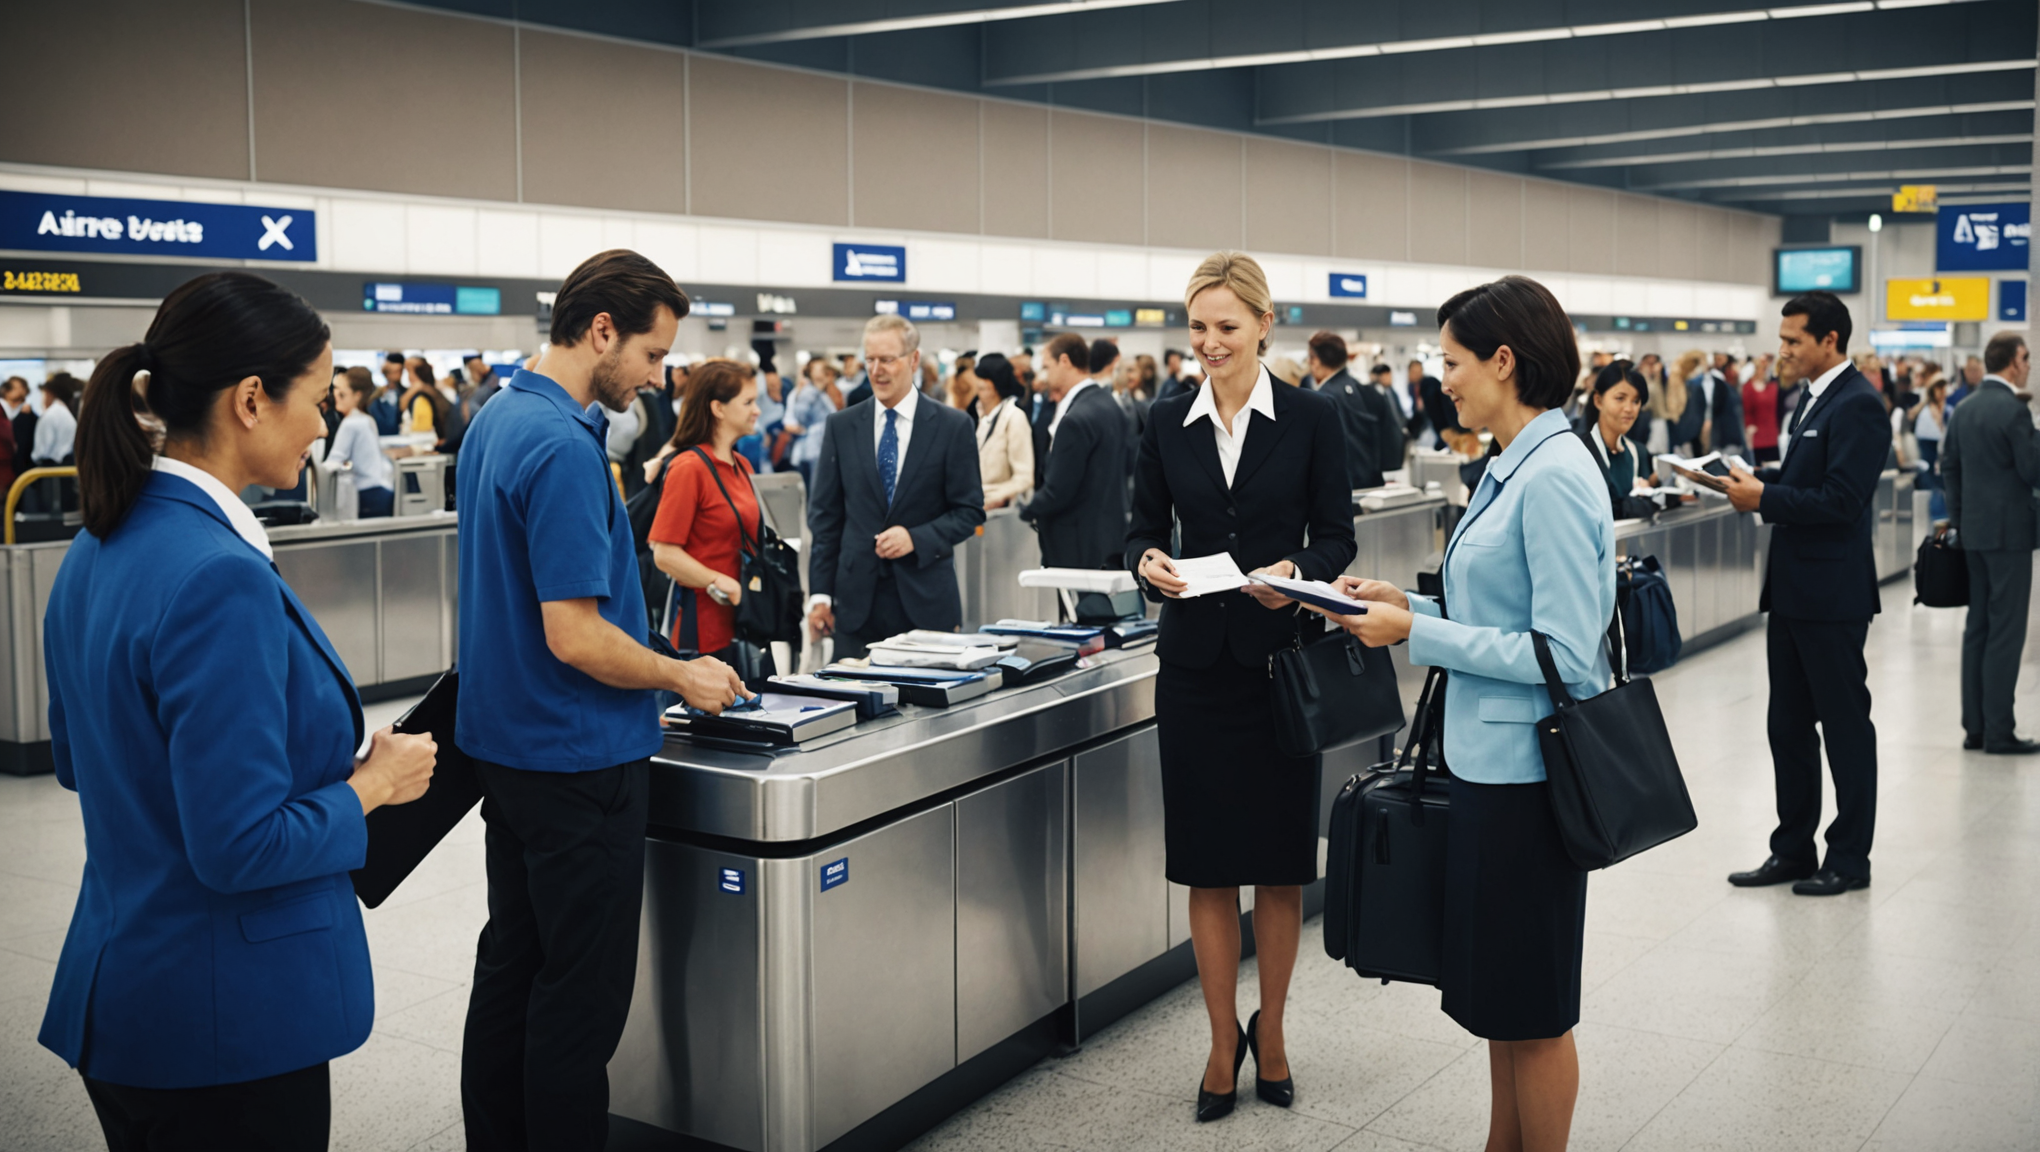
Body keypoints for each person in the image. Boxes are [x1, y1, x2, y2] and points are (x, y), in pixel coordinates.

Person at [41, 271, 438, 1150]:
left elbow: (82, 759)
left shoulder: (98, 542)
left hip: (124, 991)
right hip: (224, 1024)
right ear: (251, 400)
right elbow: (240, 845)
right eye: (320, 395)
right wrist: (372, 786)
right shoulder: (218, 575)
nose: (328, 422)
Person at [454, 249, 748, 1150]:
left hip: (505, 751)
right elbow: (574, 634)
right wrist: (681, 672)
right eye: (655, 356)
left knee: (513, 964)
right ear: (602, 331)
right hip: (580, 758)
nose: (660, 378)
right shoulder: (562, 446)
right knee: (578, 1000)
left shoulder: (495, 419)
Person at [1317, 275, 1610, 1152]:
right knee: (1501, 1001)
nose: (1440, 377)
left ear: (1504, 361)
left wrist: (1416, 633)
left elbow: (1564, 653)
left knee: (1536, 1009)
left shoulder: (1553, 474)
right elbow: (1497, 615)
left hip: (1529, 778)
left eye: (1450, 361)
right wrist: (1403, 603)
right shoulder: (1509, 462)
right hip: (1487, 768)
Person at [1126, 251, 1355, 1125]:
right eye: (1197, 328)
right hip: (1192, 671)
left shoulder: (1311, 419)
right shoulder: (1164, 420)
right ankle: (1223, 1041)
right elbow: (1143, 527)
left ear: (1266, 323)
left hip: (1275, 668)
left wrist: (1298, 571)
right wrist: (1146, 564)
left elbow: (1338, 534)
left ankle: (1278, 1030)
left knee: (1280, 868)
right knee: (1209, 868)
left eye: (1227, 327)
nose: (1210, 344)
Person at [1722, 292, 1888, 897]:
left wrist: (1764, 499)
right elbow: (1805, 487)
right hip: (1792, 592)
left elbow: (1843, 501)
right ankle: (1792, 848)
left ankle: (1849, 856)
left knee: (1844, 727)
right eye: (1783, 338)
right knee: (1787, 726)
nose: (1783, 349)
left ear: (1830, 341)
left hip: (1832, 595)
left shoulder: (1860, 405)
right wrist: (1756, 483)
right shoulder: (1809, 401)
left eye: (1793, 340)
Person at [805, 314, 984, 659]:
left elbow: (969, 511)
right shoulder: (841, 426)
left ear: (913, 360)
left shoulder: (952, 426)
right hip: (857, 607)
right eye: (869, 359)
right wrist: (821, 596)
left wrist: (915, 538)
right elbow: (825, 519)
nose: (876, 370)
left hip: (926, 603)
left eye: (887, 359)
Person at [1941, 332, 2040, 754]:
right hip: (2011, 536)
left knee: (1977, 628)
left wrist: (1960, 522)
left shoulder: (1963, 409)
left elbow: (1949, 468)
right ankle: (1999, 730)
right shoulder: (2015, 412)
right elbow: (2033, 470)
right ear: (2013, 362)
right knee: (2006, 631)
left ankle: (1975, 727)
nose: (2029, 364)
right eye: (2026, 357)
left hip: (1975, 535)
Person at [648, 360, 763, 663]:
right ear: (718, 408)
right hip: (701, 629)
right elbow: (664, 553)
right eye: (748, 402)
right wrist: (714, 579)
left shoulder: (743, 466)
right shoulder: (690, 468)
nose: (757, 410)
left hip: (744, 623)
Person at [1020, 335, 1129, 570]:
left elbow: (1058, 489)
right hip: (1108, 538)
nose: (1044, 375)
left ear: (1065, 361)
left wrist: (1024, 511)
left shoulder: (1075, 419)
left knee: (1080, 607)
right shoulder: (1108, 404)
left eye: (1047, 366)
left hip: (1076, 545)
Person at [1576, 361, 1674, 521]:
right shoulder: (1580, 452)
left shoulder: (1638, 452)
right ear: (1598, 401)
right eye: (1620, 398)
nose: (1629, 408)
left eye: (1636, 401)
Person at [1306, 331, 1404, 489]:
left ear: (1316, 361)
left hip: (1340, 487)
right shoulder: (1368, 391)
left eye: (1310, 357)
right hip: (1373, 483)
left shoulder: (1321, 398)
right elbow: (1393, 433)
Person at [329, 366, 397, 518]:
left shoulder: (351, 423)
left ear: (357, 395)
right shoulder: (366, 419)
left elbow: (335, 460)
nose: (336, 397)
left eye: (342, 394)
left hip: (367, 493)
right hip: (381, 489)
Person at [973, 352, 1034, 509]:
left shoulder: (1014, 418)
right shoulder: (981, 417)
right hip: (976, 504)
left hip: (998, 513)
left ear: (995, 384)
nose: (979, 385)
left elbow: (1024, 476)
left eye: (984, 379)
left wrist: (996, 497)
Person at [783, 356, 840, 488]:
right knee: (816, 487)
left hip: (823, 445)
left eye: (823, 368)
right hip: (814, 447)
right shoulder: (808, 392)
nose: (822, 372)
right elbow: (800, 417)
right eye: (818, 369)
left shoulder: (824, 392)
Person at [34, 373, 79, 466]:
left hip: (52, 466)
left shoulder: (51, 415)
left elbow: (42, 451)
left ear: (50, 393)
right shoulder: (64, 413)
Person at [1412, 359, 1458, 450]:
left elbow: (1431, 411)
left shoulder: (1427, 384)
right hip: (1445, 426)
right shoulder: (1421, 385)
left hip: (1446, 427)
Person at [1742, 361, 1781, 464]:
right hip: (1757, 433)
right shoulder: (1748, 387)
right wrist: (1749, 427)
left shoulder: (1773, 386)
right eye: (1762, 369)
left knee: (1774, 464)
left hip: (1773, 431)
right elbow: (1747, 411)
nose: (1764, 372)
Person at [3, 375, 37, 481]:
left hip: (21, 465)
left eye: (21, 388)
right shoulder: (4, 411)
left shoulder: (28, 415)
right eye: (14, 388)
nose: (19, 391)